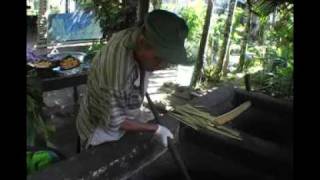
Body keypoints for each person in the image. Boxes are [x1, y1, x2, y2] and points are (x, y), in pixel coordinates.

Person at [76, 9, 189, 149]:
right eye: (158, 59)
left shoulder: (137, 36)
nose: (162, 66)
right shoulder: (117, 70)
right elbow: (116, 121)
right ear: (142, 43)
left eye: (166, 60)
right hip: (100, 130)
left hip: (123, 114)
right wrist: (155, 129)